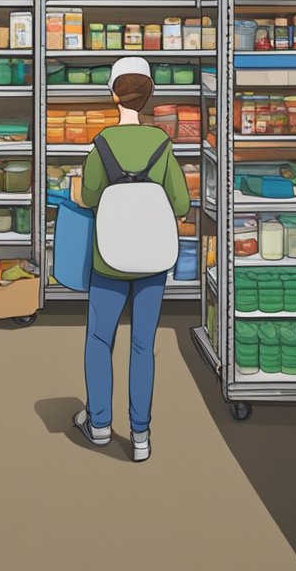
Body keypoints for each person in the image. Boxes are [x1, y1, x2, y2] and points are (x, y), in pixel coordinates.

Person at [74, 57, 191, 462]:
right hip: (153, 260)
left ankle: (101, 425)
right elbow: (182, 203)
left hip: (109, 258)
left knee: (99, 339)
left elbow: (89, 198)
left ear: (112, 95)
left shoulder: (102, 144)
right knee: (143, 344)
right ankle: (140, 436)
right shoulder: (162, 145)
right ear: (149, 97)